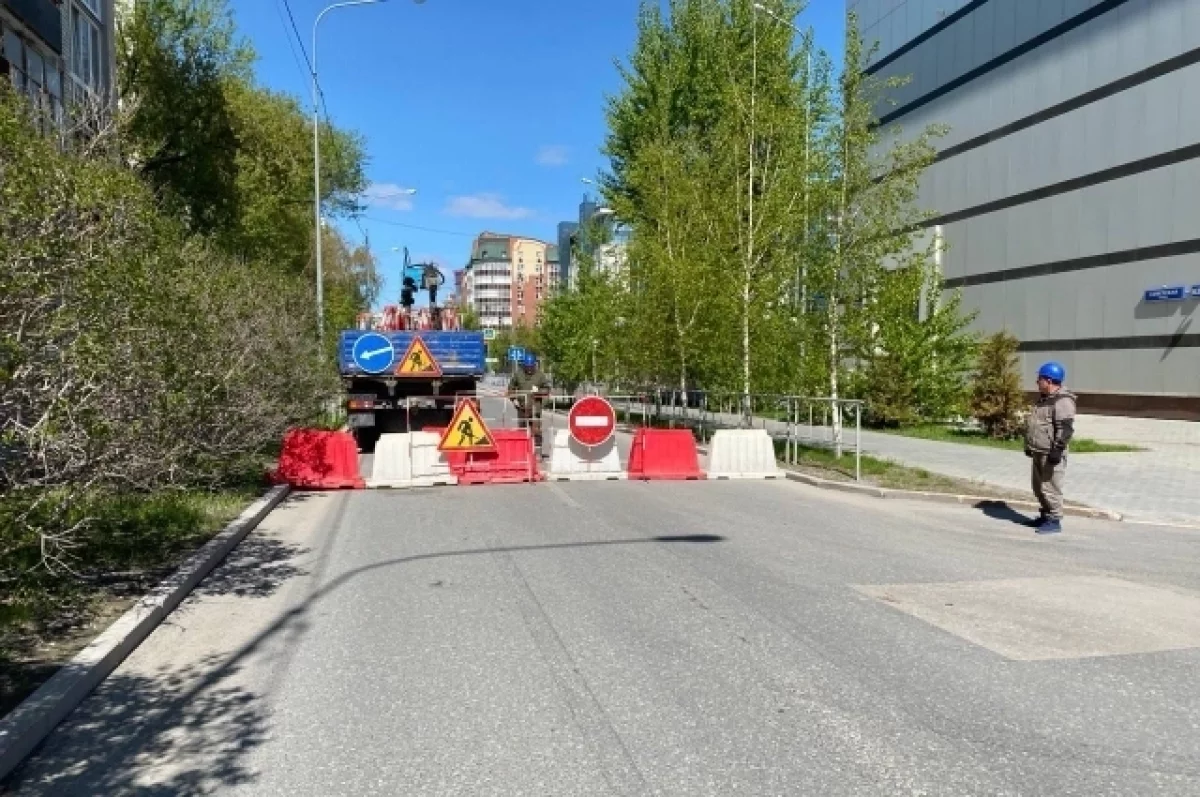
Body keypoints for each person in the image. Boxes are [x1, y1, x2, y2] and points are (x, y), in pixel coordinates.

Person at [1023, 361, 1076, 534]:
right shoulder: (1045, 399)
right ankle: (1046, 515)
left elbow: (1065, 428)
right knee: (1038, 487)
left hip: (1051, 453)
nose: (1037, 382)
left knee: (1051, 487)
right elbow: (1037, 424)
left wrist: (1058, 449)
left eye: (1039, 379)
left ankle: (1054, 520)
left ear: (1049, 380)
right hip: (1039, 450)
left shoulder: (1063, 401)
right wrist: (1029, 444)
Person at [509, 355, 550, 446]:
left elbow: (547, 389)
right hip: (521, 407)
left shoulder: (540, 375)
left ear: (534, 365)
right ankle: (523, 451)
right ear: (524, 365)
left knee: (536, 431)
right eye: (527, 367)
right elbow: (511, 388)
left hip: (535, 408)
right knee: (522, 431)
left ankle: (537, 452)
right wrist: (514, 399)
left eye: (531, 367)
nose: (529, 369)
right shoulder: (518, 374)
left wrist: (538, 391)